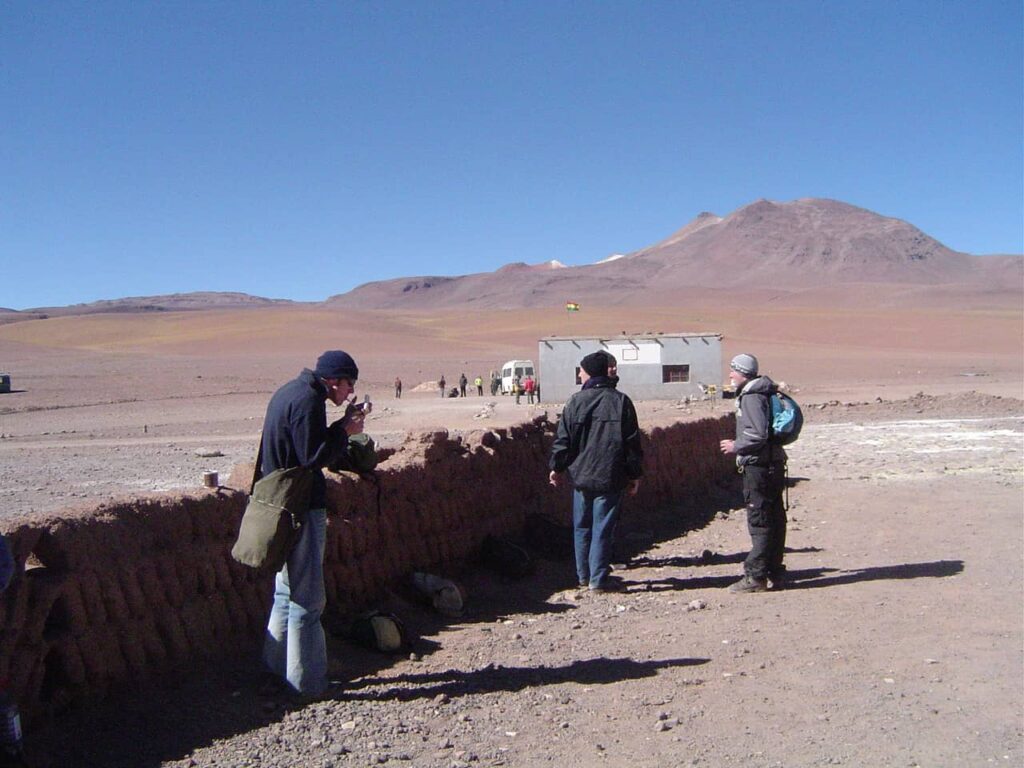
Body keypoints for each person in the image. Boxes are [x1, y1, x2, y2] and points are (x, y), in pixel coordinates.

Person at [261, 350, 369, 696]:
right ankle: (307, 683)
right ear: (333, 380)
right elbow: (313, 456)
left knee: (285, 593)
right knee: (307, 602)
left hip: (280, 504)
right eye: (348, 384)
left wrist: (339, 427)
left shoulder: (288, 392)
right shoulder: (309, 401)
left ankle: (274, 669)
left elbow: (302, 448)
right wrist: (346, 432)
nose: (349, 393)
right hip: (302, 507)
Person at [549, 351, 643, 593]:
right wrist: (634, 474)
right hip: (610, 477)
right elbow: (632, 444)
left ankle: (583, 576)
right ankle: (598, 579)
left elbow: (563, 440)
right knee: (602, 527)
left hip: (581, 477)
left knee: (582, 526)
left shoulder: (574, 402)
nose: (579, 374)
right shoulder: (621, 402)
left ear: (590, 372)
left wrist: (557, 468)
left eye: (581, 370)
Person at [719, 353, 788, 593]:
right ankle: (775, 572)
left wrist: (735, 446)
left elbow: (757, 434)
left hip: (759, 466)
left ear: (743, 373)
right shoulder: (767, 392)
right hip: (774, 463)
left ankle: (756, 576)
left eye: (733, 370)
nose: (730, 375)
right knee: (776, 517)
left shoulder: (751, 396)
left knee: (760, 519)